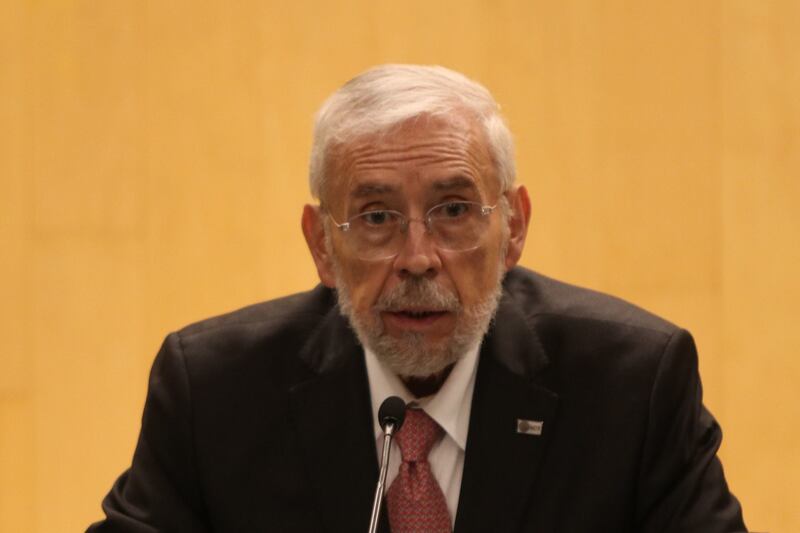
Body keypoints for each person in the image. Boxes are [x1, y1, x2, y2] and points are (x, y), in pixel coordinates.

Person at [89, 64, 747, 532]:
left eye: (454, 209)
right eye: (375, 218)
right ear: (322, 244)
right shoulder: (215, 392)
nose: (417, 258)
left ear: (512, 227)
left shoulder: (632, 386)